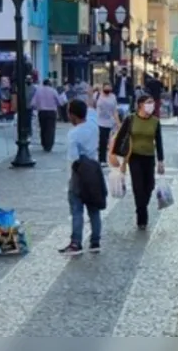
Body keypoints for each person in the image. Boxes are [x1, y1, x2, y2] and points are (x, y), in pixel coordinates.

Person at [110, 95, 166, 230]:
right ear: (140, 104)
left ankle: (141, 207)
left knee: (150, 185)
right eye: (148, 102)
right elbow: (120, 137)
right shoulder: (131, 119)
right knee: (138, 187)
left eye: (152, 102)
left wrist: (161, 160)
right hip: (134, 156)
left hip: (149, 156)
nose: (151, 105)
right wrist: (115, 155)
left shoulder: (155, 121)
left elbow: (158, 141)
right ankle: (142, 217)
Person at [60, 99, 102, 255]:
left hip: (79, 174)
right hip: (95, 171)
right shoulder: (93, 125)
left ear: (73, 115)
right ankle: (95, 241)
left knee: (77, 210)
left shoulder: (74, 134)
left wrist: (72, 179)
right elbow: (91, 110)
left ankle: (76, 243)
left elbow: (74, 158)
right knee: (94, 208)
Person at [30, 79, 62, 152]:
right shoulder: (53, 91)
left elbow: (33, 103)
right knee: (50, 129)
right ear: (50, 84)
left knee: (43, 128)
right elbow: (59, 102)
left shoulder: (38, 91)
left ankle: (44, 144)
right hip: (51, 112)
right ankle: (49, 145)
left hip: (42, 112)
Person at [95, 82, 120, 166]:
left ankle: (104, 159)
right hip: (99, 121)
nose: (107, 90)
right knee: (102, 141)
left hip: (110, 122)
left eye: (109, 88)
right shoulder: (97, 95)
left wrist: (118, 123)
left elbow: (115, 111)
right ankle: (101, 159)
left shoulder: (113, 97)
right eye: (106, 88)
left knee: (108, 141)